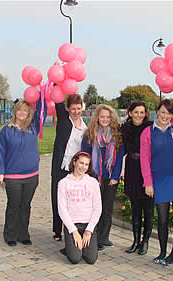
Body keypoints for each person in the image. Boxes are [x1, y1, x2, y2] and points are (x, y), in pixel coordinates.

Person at [140, 72, 173, 265]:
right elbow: (144, 160)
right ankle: (161, 252)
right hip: (159, 181)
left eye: (169, 113)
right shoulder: (147, 132)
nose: (165, 116)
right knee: (161, 220)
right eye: (162, 112)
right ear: (156, 113)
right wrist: (148, 183)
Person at [0, 99, 46, 247]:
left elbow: (43, 111)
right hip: (13, 177)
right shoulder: (6, 130)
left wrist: (40, 94)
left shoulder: (33, 127)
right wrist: (0, 172)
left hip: (31, 175)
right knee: (13, 205)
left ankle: (23, 234)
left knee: (26, 206)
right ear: (15, 111)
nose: (22, 113)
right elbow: (0, 152)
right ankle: (10, 234)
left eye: (25, 110)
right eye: (20, 110)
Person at [81, 104, 124, 251]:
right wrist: (88, 176)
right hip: (95, 177)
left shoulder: (117, 134)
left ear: (111, 118)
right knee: (95, 209)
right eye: (102, 116)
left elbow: (118, 158)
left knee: (107, 208)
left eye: (108, 116)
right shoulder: (90, 133)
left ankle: (104, 237)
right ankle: (94, 238)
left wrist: (116, 176)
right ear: (97, 118)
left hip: (111, 177)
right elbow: (84, 155)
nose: (105, 119)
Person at [51, 94, 87, 241]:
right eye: (73, 109)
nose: (76, 111)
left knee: (72, 200)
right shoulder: (64, 120)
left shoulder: (85, 127)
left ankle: (71, 230)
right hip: (60, 167)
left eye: (79, 108)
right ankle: (57, 230)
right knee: (57, 199)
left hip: (75, 170)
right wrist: (56, 83)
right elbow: (58, 100)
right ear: (68, 109)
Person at [122, 101, 154, 255]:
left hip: (147, 170)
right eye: (136, 112)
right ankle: (135, 241)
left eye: (142, 112)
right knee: (135, 208)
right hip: (132, 170)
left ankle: (145, 241)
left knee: (147, 209)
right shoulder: (125, 128)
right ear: (130, 113)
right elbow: (122, 148)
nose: (139, 115)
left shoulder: (150, 127)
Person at [58, 151, 102, 264]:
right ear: (74, 162)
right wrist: (73, 231)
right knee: (74, 259)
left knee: (91, 259)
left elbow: (98, 208)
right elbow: (62, 209)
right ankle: (71, 245)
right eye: (81, 163)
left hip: (88, 225)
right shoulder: (63, 183)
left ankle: (81, 246)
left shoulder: (93, 182)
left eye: (86, 164)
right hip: (72, 225)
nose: (83, 167)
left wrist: (89, 230)